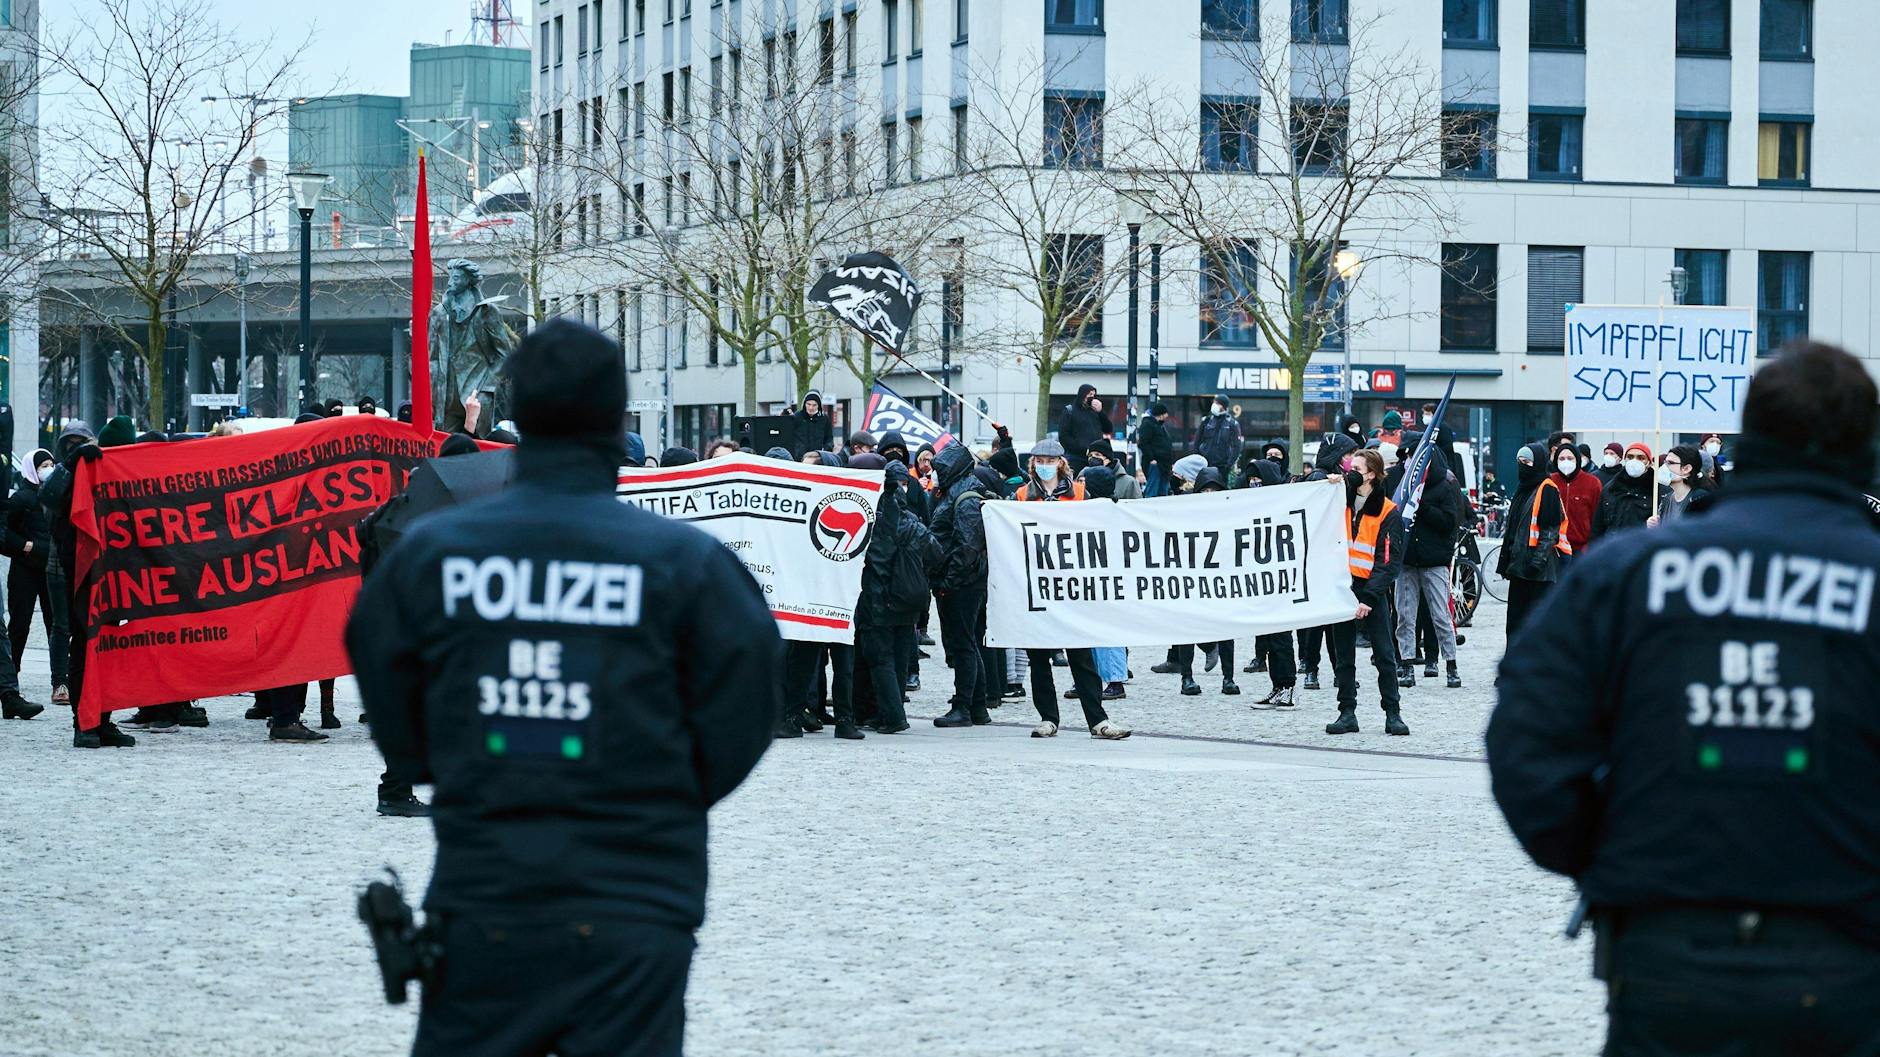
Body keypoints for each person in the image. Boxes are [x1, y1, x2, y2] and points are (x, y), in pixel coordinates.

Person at [348, 319, 781, 1057]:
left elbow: (379, 659)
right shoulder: (687, 565)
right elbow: (748, 702)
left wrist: (448, 761)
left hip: (488, 890)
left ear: (518, 416)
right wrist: (670, 788)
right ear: (617, 423)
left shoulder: (435, 557)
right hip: (636, 896)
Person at [1488, 340, 1880, 1054]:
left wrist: (1606, 853)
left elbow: (1526, 737)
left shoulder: (1627, 573)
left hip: (1666, 945)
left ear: (1748, 438)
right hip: (1845, 950)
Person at [1012, 441, 1131, 740]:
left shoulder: (1079, 493)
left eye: (1050, 460)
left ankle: (1098, 719)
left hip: (1071, 587)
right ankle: (1048, 718)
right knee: (1039, 659)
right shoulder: (1022, 495)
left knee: (1081, 656)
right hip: (1038, 586)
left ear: (1060, 463)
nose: (1044, 465)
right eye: (1039, 460)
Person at [1323, 448, 1408, 737]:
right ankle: (1347, 712)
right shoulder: (1340, 502)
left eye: (1356, 469)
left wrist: (1369, 598)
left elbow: (1388, 562)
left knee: (1384, 655)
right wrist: (1328, 485)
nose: (1351, 473)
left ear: (1371, 474)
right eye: (1349, 469)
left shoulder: (1388, 511)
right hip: (1342, 588)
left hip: (1371, 590)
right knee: (1343, 656)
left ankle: (1393, 714)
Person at [855, 458, 939, 736]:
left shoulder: (870, 523)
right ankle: (890, 711)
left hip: (877, 599)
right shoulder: (912, 523)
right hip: (907, 600)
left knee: (880, 659)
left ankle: (892, 716)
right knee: (901, 658)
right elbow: (935, 553)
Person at [929, 442, 994, 728]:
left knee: (963, 643)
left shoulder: (965, 497)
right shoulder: (959, 491)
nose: (935, 474)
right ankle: (977, 706)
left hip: (963, 583)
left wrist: (948, 582)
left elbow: (967, 546)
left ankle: (964, 706)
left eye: (939, 469)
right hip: (965, 580)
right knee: (969, 642)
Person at [1393, 448, 1463, 690]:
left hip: (1433, 560)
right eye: (1408, 458)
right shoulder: (1403, 486)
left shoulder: (1443, 485)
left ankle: (1451, 664)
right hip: (1407, 561)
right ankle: (1407, 664)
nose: (1410, 462)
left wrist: (1422, 507)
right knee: (1405, 615)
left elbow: (1449, 522)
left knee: (1441, 615)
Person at [4, 448, 65, 709]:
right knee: (19, 624)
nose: (47, 469)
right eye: (43, 465)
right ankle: (10, 680)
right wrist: (23, 546)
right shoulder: (21, 499)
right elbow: (4, 532)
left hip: (51, 569)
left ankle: (60, 681)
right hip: (25, 570)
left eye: (51, 464)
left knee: (56, 624)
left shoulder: (55, 495)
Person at [1173, 468, 1240, 698]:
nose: (1210, 495)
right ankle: (1187, 677)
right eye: (1205, 490)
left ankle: (1229, 677)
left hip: (1221, 577)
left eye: (1214, 490)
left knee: (1226, 628)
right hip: (1191, 576)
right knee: (1187, 629)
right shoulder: (1184, 513)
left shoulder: (1231, 514)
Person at [1498, 443, 1572, 638]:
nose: (1522, 465)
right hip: (1519, 568)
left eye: (1527, 461)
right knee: (1514, 623)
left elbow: (1550, 531)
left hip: (1538, 571)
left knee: (1533, 624)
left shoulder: (1547, 489)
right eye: (1520, 461)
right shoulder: (1523, 489)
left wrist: (1536, 563)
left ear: (1538, 462)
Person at [1591, 442, 1656, 542]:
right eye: (1630, 457)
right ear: (1625, 460)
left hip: (1642, 546)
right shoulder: (1611, 488)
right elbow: (1597, 527)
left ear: (1649, 463)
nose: (1634, 461)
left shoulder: (1657, 490)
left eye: (1641, 458)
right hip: (1613, 546)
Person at [1550, 441, 1604, 560]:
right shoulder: (1550, 481)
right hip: (1554, 548)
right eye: (1561, 458)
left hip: (1581, 550)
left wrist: (1591, 546)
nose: (1566, 462)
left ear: (1577, 460)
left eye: (1570, 458)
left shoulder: (1592, 483)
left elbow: (1598, 519)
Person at [1649, 444, 1711, 527]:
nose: (1664, 467)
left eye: (1670, 463)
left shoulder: (1700, 498)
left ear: (1686, 469)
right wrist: (1656, 526)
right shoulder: (1666, 500)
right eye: (1665, 462)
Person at [1056, 384, 1109, 473]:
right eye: (1090, 394)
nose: (1092, 397)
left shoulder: (1094, 412)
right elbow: (1064, 436)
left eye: (1093, 395)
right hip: (1076, 458)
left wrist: (1100, 412)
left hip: (1094, 459)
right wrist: (1081, 448)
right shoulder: (1070, 411)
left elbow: (1107, 428)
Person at [1193, 395, 1242, 474]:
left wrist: (1228, 465)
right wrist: (1197, 458)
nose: (1214, 405)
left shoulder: (1232, 424)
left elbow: (1237, 447)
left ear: (1223, 406)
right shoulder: (1206, 420)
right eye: (1214, 402)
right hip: (1204, 463)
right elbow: (1197, 440)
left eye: (1217, 403)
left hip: (1221, 466)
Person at [1137, 401, 1175, 497]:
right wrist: (1151, 459)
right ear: (1160, 415)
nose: (1166, 416)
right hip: (1156, 464)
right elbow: (1143, 443)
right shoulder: (1148, 425)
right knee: (1153, 490)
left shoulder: (1159, 426)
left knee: (1162, 491)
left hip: (1163, 464)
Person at [794, 390, 834, 455]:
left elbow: (829, 438)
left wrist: (826, 450)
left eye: (814, 405)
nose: (811, 408)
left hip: (818, 456)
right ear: (804, 404)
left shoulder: (824, 419)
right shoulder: (797, 417)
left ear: (819, 405)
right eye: (808, 404)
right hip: (799, 457)